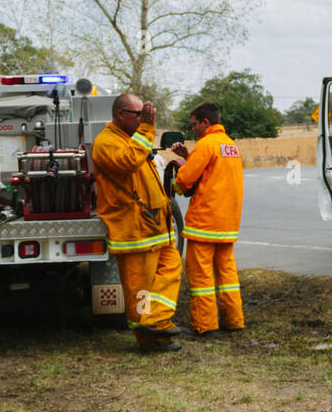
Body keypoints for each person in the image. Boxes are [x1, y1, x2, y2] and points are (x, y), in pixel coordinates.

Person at [93, 94, 183, 353]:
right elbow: (129, 162)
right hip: (133, 230)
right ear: (120, 114)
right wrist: (147, 128)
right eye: (138, 114)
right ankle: (150, 339)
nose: (144, 119)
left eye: (145, 115)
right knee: (140, 290)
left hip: (155, 228)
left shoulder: (132, 139)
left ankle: (155, 322)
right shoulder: (106, 142)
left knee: (171, 269)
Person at [170, 101, 245, 335]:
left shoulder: (206, 144)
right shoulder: (230, 145)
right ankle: (234, 321)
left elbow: (184, 181)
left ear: (206, 122)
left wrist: (179, 170)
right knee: (227, 275)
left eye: (194, 124)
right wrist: (189, 156)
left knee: (200, 275)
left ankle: (205, 325)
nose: (192, 129)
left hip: (204, 223)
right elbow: (212, 173)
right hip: (227, 224)